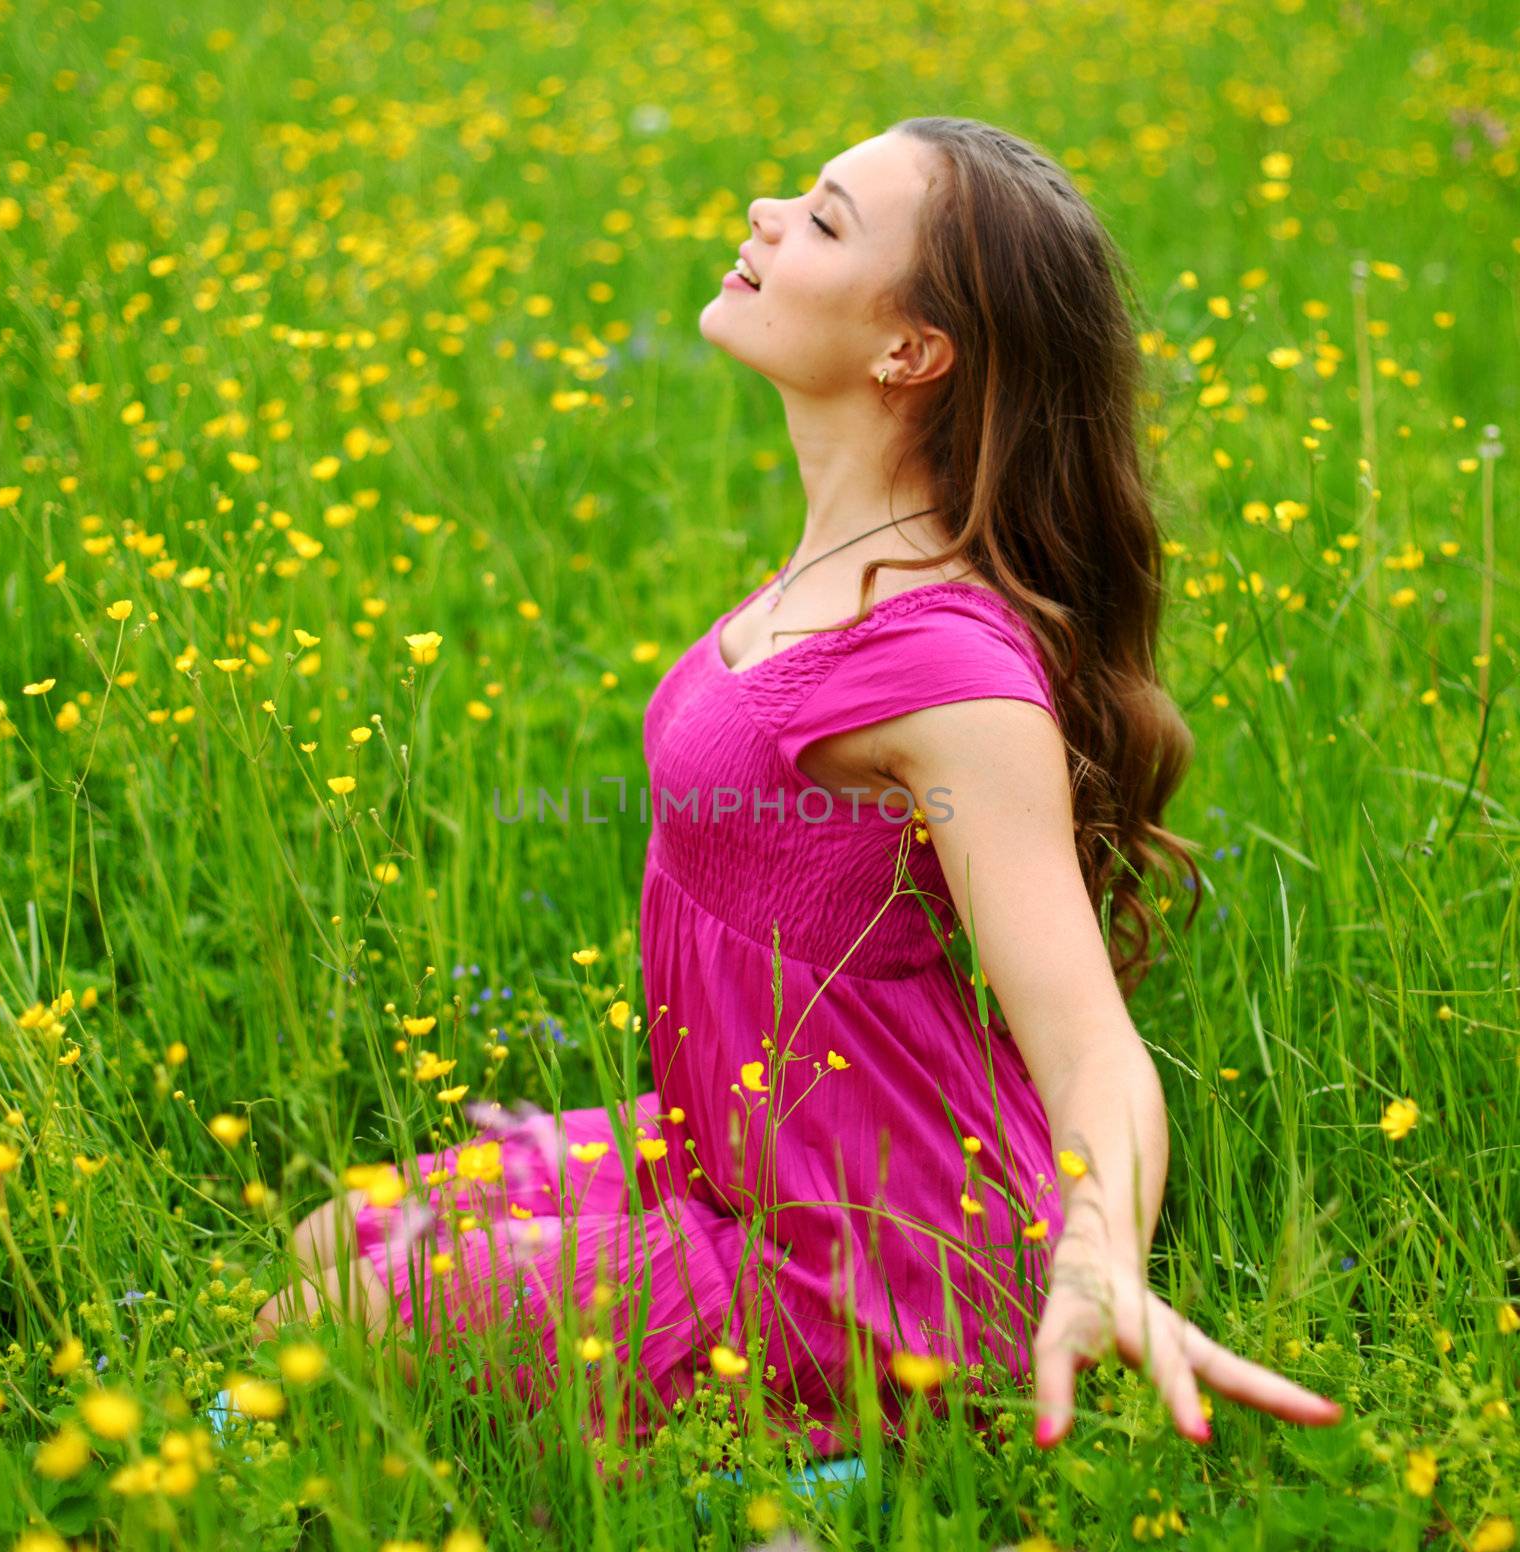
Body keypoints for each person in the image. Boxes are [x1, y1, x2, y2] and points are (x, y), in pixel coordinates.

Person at [253, 116, 1345, 1458]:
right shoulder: (837, 563)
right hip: (736, 1155)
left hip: (881, 1260)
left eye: (826, 220)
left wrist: (1102, 1246)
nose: (767, 210)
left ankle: (882, 1432)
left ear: (909, 352)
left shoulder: (947, 674)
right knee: (330, 1238)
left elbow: (1090, 1043)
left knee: (346, 1314)